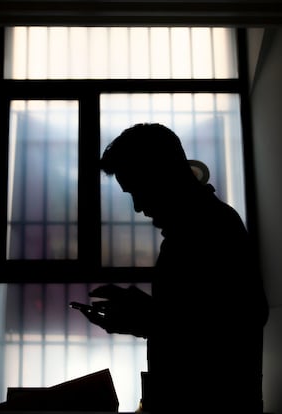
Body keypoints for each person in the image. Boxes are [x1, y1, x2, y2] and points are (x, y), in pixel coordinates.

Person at [75, 123, 269, 413]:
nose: (138, 207)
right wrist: (144, 316)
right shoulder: (204, 227)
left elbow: (240, 320)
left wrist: (146, 316)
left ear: (162, 176)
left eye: (137, 190)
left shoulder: (211, 229)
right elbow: (200, 318)